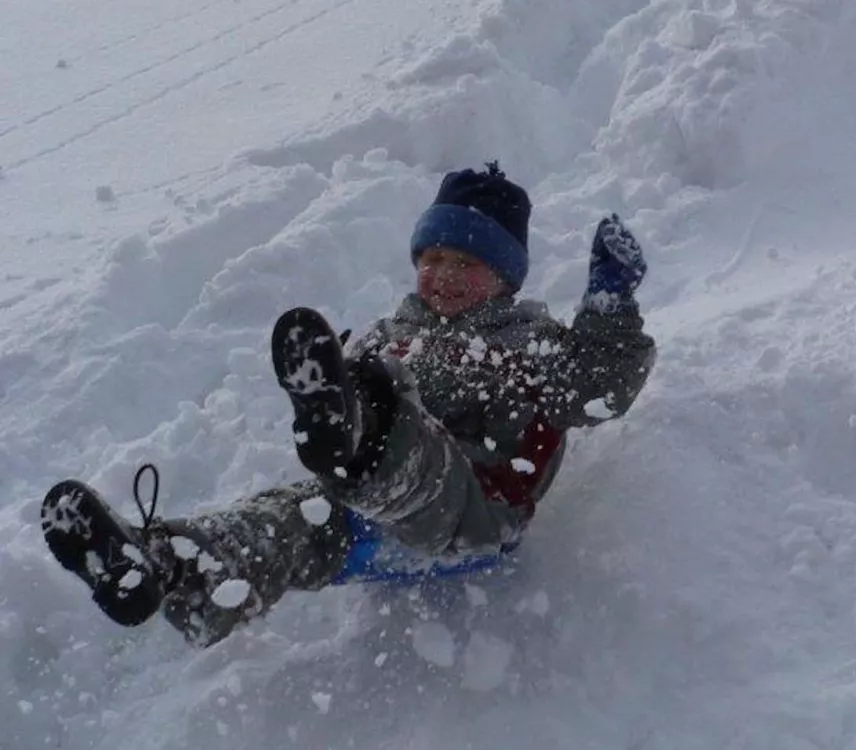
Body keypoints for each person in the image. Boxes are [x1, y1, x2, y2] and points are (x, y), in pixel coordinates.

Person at [39, 163, 655, 648]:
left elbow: (600, 388)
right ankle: (166, 569)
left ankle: (360, 429)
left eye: (464, 263)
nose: (442, 274)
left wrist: (610, 304)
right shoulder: (395, 331)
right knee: (286, 522)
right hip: (369, 511)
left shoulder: (529, 342)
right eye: (432, 259)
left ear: (505, 277)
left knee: (401, 426)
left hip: (474, 506)